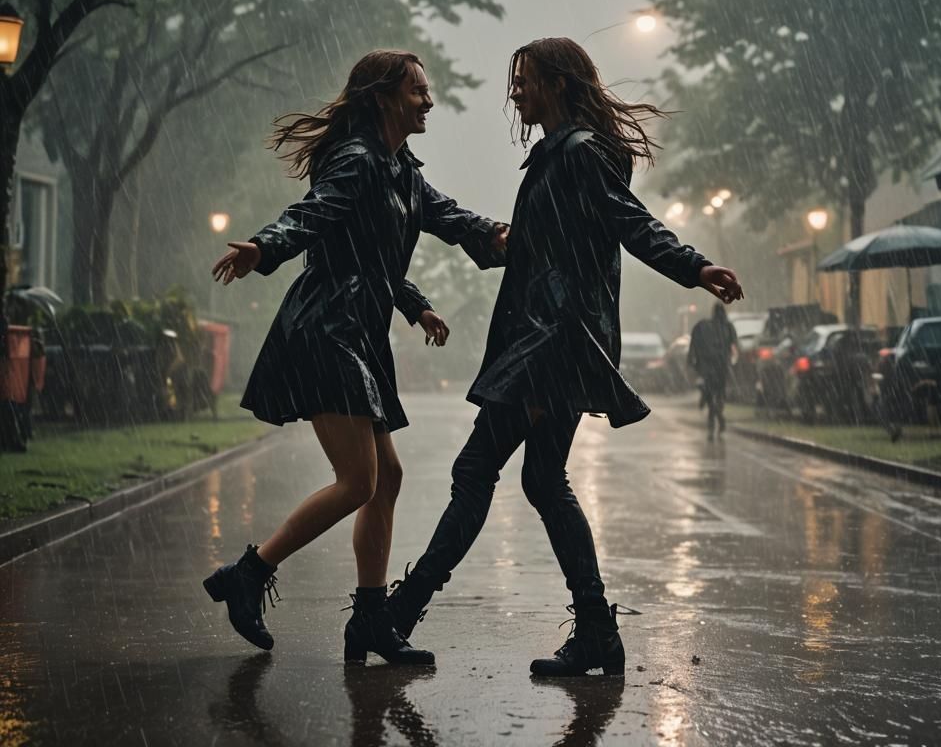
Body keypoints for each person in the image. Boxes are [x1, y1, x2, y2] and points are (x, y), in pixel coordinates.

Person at [387, 37, 743, 676]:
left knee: (476, 473)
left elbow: (630, 223)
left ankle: (403, 611)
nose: (515, 91)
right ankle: (598, 633)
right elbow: (546, 244)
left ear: (557, 84)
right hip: (555, 340)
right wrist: (496, 239)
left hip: (550, 342)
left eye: (524, 79)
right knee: (542, 480)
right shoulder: (562, 156)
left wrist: (695, 267)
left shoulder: (577, 154)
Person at [203, 50, 506, 664]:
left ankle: (369, 618)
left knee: (385, 479)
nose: (428, 100)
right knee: (360, 480)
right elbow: (312, 217)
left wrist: (478, 254)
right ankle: (249, 572)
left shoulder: (402, 171)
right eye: (418, 91)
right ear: (383, 97)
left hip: (359, 334)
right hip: (325, 329)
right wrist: (264, 247)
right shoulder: (357, 160)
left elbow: (442, 226)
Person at [687, 303, 737, 440]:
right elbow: (734, 347)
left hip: (706, 367)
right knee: (719, 392)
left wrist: (693, 361)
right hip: (721, 366)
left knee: (710, 393)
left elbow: (693, 346)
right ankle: (718, 415)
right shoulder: (728, 327)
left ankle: (713, 417)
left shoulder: (701, 327)